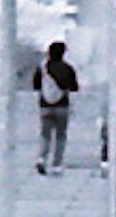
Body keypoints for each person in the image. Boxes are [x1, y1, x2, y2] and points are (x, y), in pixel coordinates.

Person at [30, 40, 80, 175]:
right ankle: (56, 164)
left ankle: (41, 159)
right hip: (62, 106)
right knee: (60, 136)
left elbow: (35, 86)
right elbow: (75, 87)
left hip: (45, 106)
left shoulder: (42, 68)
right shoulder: (68, 68)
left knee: (45, 135)